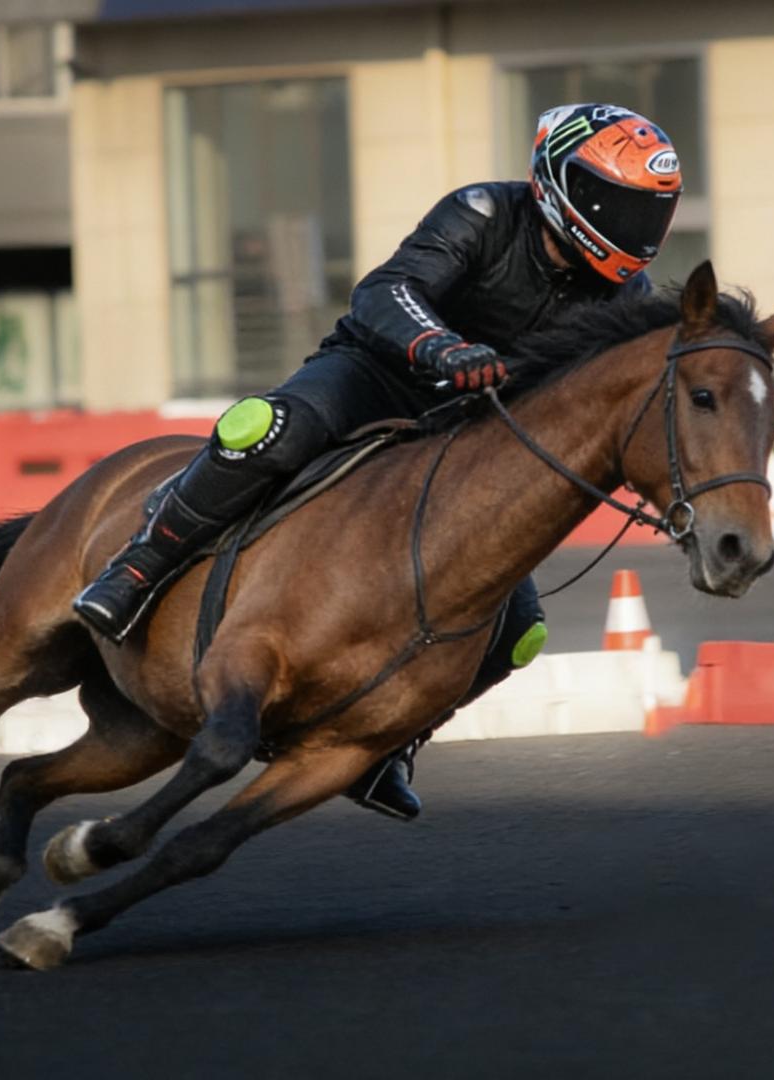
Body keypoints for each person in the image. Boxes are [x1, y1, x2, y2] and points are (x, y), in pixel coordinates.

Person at [74, 103, 683, 820]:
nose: (631, 226)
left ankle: (390, 744)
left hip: (459, 433)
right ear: (560, 182)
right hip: (374, 372)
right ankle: (138, 565)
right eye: (617, 203)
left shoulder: (628, 293)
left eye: (648, 213)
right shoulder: (483, 212)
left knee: (519, 633)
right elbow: (384, 292)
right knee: (265, 430)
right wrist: (441, 349)